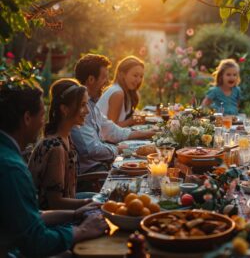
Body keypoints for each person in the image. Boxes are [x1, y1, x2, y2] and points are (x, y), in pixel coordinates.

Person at [0, 79, 108, 257]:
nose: (44, 122)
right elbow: (35, 240)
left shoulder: (10, 155)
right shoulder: (12, 168)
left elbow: (31, 214)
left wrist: (74, 213)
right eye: (42, 115)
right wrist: (82, 230)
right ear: (27, 118)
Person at [71, 54, 155, 174]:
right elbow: (91, 149)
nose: (107, 82)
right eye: (104, 77)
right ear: (91, 79)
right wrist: (117, 149)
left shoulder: (91, 105)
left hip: (101, 164)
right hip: (93, 173)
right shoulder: (81, 110)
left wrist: (149, 133)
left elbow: (112, 129)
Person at [28, 79, 93, 210]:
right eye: (82, 105)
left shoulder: (65, 136)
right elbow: (55, 204)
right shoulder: (55, 147)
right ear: (64, 109)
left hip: (69, 201)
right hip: (53, 219)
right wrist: (90, 203)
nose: (88, 111)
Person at [97, 56, 144, 127]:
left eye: (141, 76)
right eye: (135, 75)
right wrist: (131, 121)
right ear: (122, 74)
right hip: (101, 137)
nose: (138, 80)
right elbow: (110, 129)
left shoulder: (127, 92)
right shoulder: (117, 93)